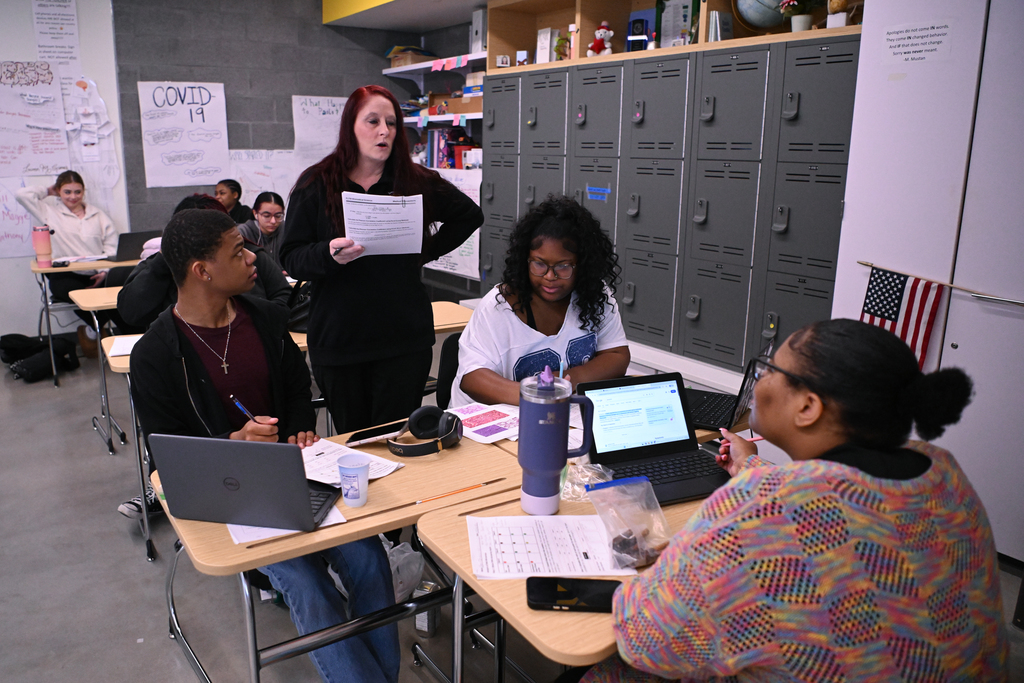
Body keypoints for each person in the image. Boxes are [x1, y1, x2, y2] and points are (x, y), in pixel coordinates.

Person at [579, 319, 1007, 683]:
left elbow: (647, 639)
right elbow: (836, 510)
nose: (759, 381)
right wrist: (749, 466)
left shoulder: (764, 508)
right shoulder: (940, 471)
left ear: (807, 406)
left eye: (769, 371)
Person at [130, 209, 399, 683]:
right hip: (233, 496)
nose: (253, 256)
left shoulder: (266, 319)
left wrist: (297, 429)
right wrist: (233, 442)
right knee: (308, 584)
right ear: (202, 270)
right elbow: (166, 459)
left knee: (370, 561)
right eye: (237, 251)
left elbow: (297, 393)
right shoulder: (154, 355)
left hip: (301, 474)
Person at [280, 85, 483, 433]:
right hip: (340, 340)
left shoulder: (414, 180)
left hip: (403, 338)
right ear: (350, 127)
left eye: (391, 122)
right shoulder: (317, 183)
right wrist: (328, 254)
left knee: (397, 437)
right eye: (372, 121)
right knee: (354, 440)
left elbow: (469, 215)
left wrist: (425, 252)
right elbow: (290, 256)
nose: (384, 131)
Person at [450, 196, 630, 407]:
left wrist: (564, 384)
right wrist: (537, 393)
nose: (550, 276)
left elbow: (617, 355)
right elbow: (472, 378)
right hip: (491, 422)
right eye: (539, 264)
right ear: (524, 260)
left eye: (563, 266)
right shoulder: (498, 306)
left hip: (561, 416)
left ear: (583, 265)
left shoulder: (595, 295)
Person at [116, 194, 290, 332]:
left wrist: (259, 324)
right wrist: (166, 257)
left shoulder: (251, 255)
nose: (249, 257)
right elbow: (131, 312)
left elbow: (285, 297)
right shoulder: (162, 265)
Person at [16, 170, 131, 357]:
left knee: (120, 293)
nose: (73, 197)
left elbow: (112, 248)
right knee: (66, 289)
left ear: (84, 192)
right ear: (59, 192)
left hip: (97, 273)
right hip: (67, 275)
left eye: (77, 192)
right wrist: (48, 190)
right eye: (67, 192)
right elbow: (22, 195)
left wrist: (103, 272)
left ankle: (133, 344)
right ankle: (95, 328)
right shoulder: (48, 212)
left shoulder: (98, 215)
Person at [237, 191, 286, 271]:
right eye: (267, 216)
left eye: (278, 216)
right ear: (255, 213)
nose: (273, 221)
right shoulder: (243, 232)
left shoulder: (286, 229)